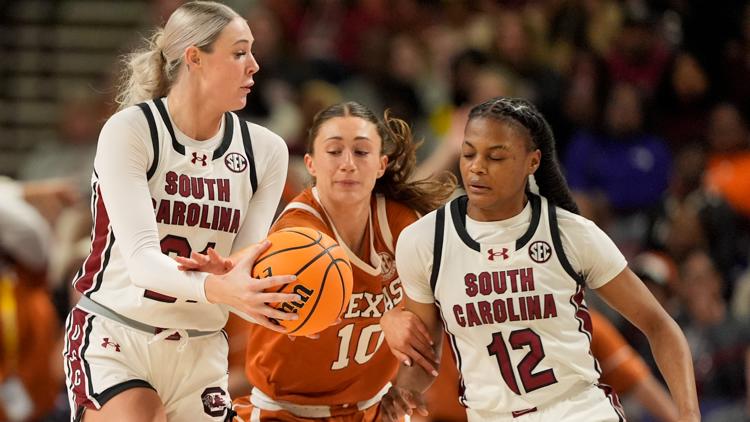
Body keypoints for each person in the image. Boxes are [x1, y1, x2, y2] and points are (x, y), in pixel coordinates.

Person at [378, 97, 700, 422]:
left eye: (496, 156)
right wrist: (400, 391)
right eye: (469, 153)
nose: (477, 166)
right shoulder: (425, 240)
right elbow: (424, 358)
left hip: (579, 413)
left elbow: (660, 326)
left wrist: (688, 415)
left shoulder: (569, 233)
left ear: (532, 162)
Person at [62, 2, 300, 421]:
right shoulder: (132, 130)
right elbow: (142, 264)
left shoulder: (266, 151)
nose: (255, 66)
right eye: (240, 52)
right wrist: (218, 288)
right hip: (119, 336)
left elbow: (241, 266)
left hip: (202, 346)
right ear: (195, 58)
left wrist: (269, 292)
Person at [180, 101, 456, 421]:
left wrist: (404, 391)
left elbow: (428, 332)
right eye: (335, 151)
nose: (348, 163)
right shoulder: (299, 231)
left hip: (370, 408)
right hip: (286, 412)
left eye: (362, 152)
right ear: (310, 163)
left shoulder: (402, 224)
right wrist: (386, 318)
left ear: (381, 164)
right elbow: (298, 301)